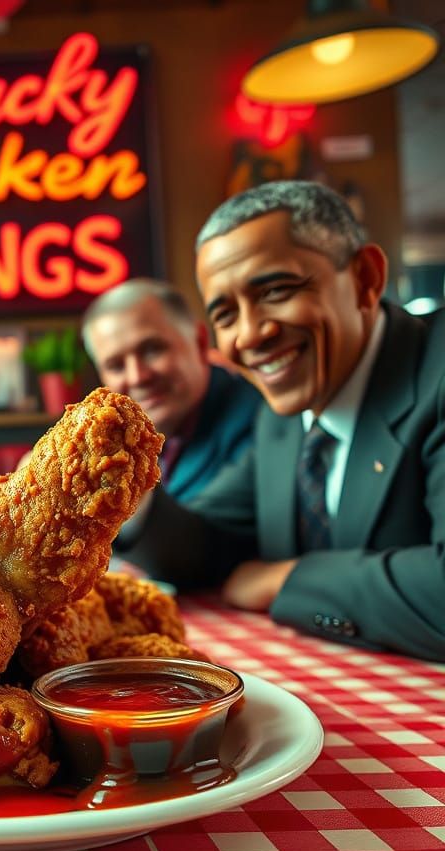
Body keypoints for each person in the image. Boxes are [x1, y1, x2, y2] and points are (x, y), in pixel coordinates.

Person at [120, 180, 445, 660]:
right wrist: (123, 481)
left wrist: (285, 580)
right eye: (226, 315)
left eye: (275, 290)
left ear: (365, 279)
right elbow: (205, 541)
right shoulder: (285, 418)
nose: (250, 334)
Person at [82, 278, 261, 500]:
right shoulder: (117, 444)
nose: (137, 377)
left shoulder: (259, 427)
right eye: (116, 365)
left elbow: (205, 529)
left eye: (152, 350)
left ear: (200, 342)